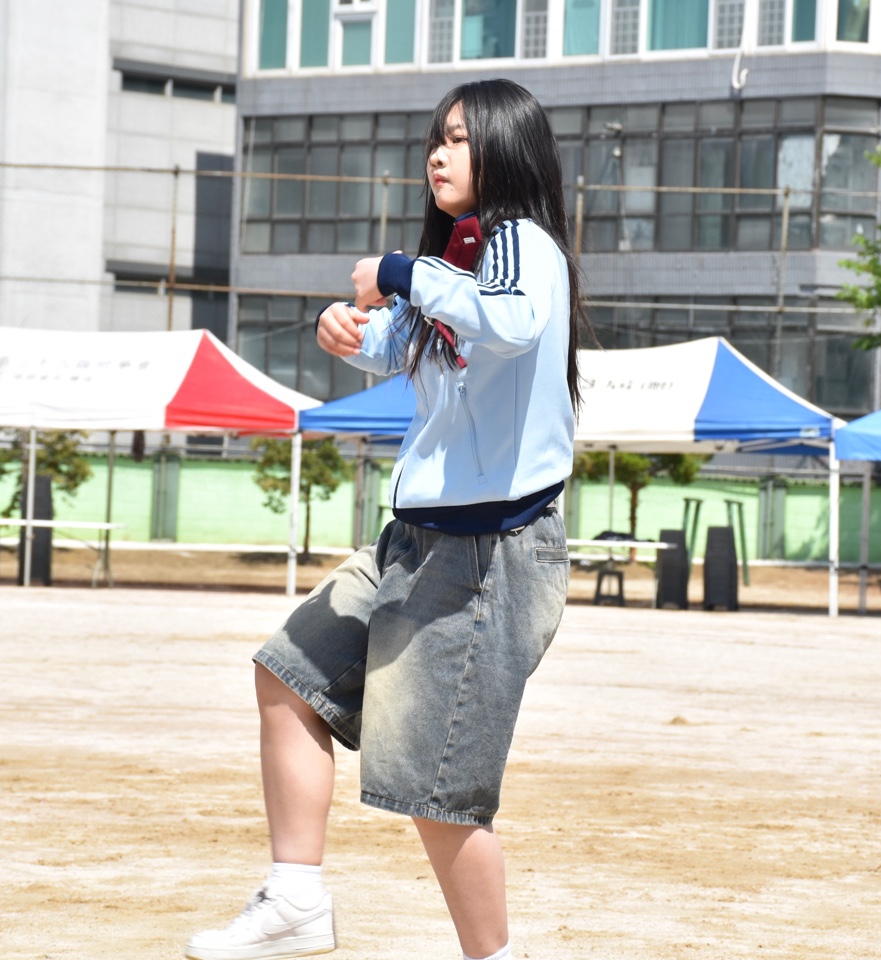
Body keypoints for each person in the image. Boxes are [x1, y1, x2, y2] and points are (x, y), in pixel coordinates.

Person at [185, 78, 587, 960]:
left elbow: (512, 324)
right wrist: (350, 331)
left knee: (436, 788)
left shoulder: (523, 245)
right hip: (414, 542)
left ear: (507, 149)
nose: (438, 154)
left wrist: (401, 271)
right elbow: (413, 344)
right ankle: (295, 900)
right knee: (289, 674)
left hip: (489, 555)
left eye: (459, 138)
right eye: (435, 139)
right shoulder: (466, 253)